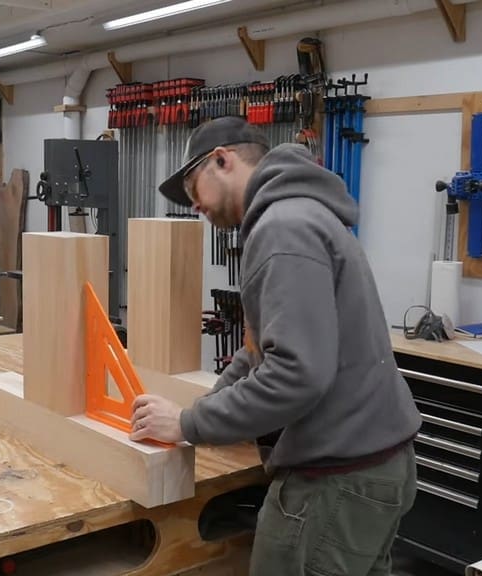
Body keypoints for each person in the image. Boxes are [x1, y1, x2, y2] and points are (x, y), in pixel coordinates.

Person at [129, 116, 422, 576]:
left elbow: (296, 373)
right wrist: (213, 405)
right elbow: (259, 351)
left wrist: (189, 423)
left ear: (222, 160)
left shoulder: (282, 227)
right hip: (372, 467)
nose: (195, 207)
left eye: (193, 190)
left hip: (336, 480)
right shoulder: (303, 215)